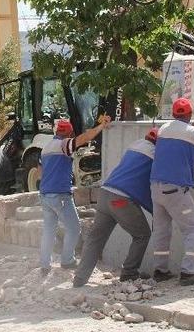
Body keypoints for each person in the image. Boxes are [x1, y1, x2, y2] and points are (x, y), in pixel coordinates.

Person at [73, 127, 159, 287]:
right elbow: (148, 186)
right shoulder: (156, 155)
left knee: (95, 239)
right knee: (142, 235)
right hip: (121, 200)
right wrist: (156, 211)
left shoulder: (135, 146)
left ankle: (79, 279)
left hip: (105, 193)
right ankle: (129, 273)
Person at [150, 98, 194, 286]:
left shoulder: (163, 129)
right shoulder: (193, 132)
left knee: (161, 230)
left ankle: (160, 270)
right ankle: (190, 272)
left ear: (174, 114)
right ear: (189, 114)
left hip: (156, 187)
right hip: (175, 190)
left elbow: (183, 150)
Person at [39, 116, 112, 275]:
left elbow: (41, 171)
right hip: (60, 195)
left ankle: (44, 264)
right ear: (69, 133)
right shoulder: (64, 144)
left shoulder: (46, 148)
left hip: (45, 195)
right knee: (74, 228)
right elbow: (84, 138)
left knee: (49, 230)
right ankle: (67, 261)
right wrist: (101, 126)